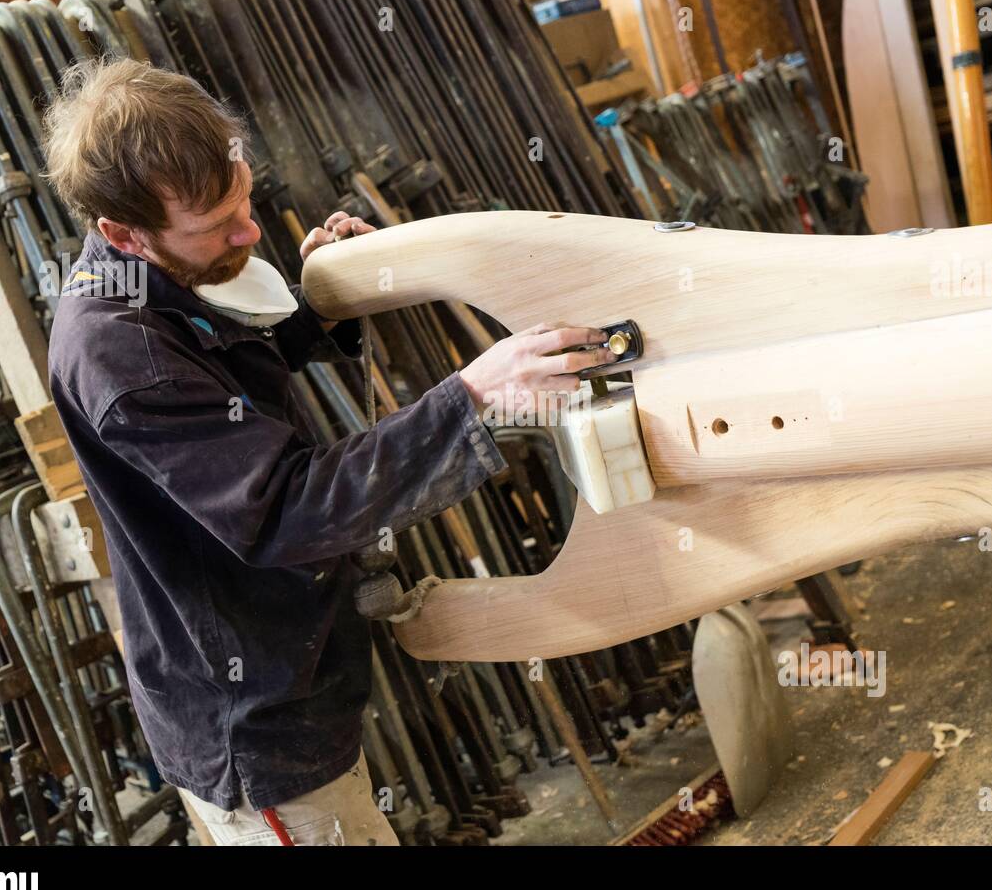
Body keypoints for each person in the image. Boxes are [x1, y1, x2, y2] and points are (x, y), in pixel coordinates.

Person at [41, 58, 613, 845]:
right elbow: (283, 507)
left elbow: (226, 386)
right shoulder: (120, 353)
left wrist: (323, 302)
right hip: (253, 723)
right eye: (217, 227)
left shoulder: (158, 281)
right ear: (120, 234)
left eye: (244, 203)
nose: (249, 233)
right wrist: (473, 396)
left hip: (296, 672)